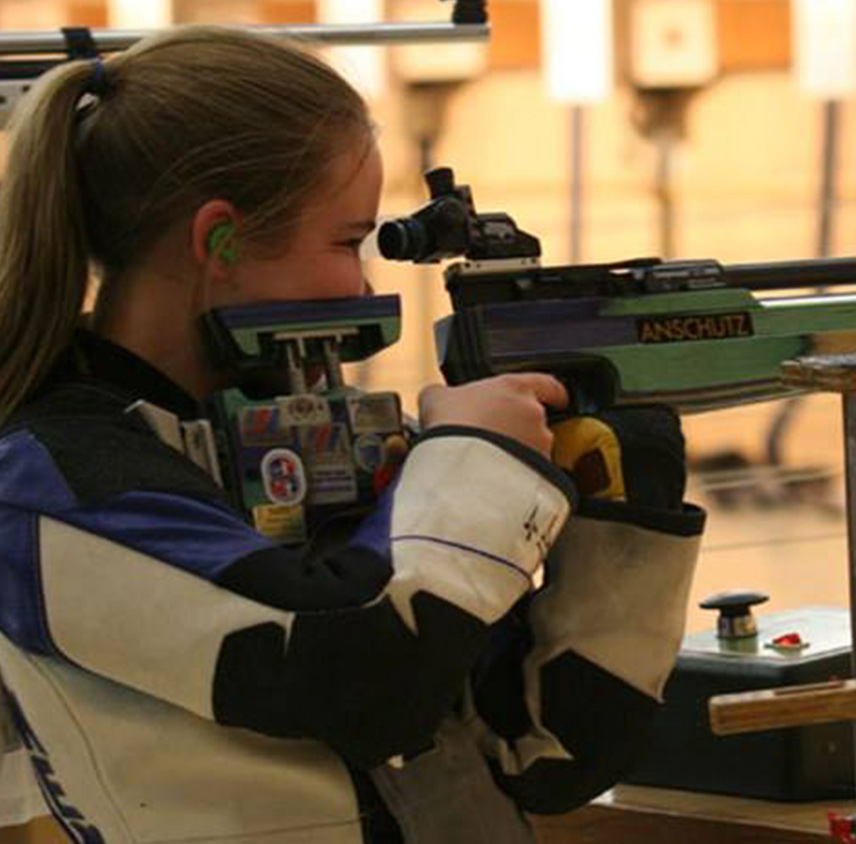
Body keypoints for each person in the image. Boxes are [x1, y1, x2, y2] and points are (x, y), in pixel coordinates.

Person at [0, 25, 703, 844]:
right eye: (345, 241)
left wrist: (623, 509)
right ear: (218, 241)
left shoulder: (297, 445)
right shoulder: (53, 488)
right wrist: (475, 466)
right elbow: (359, 676)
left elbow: (547, 756)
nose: (360, 283)